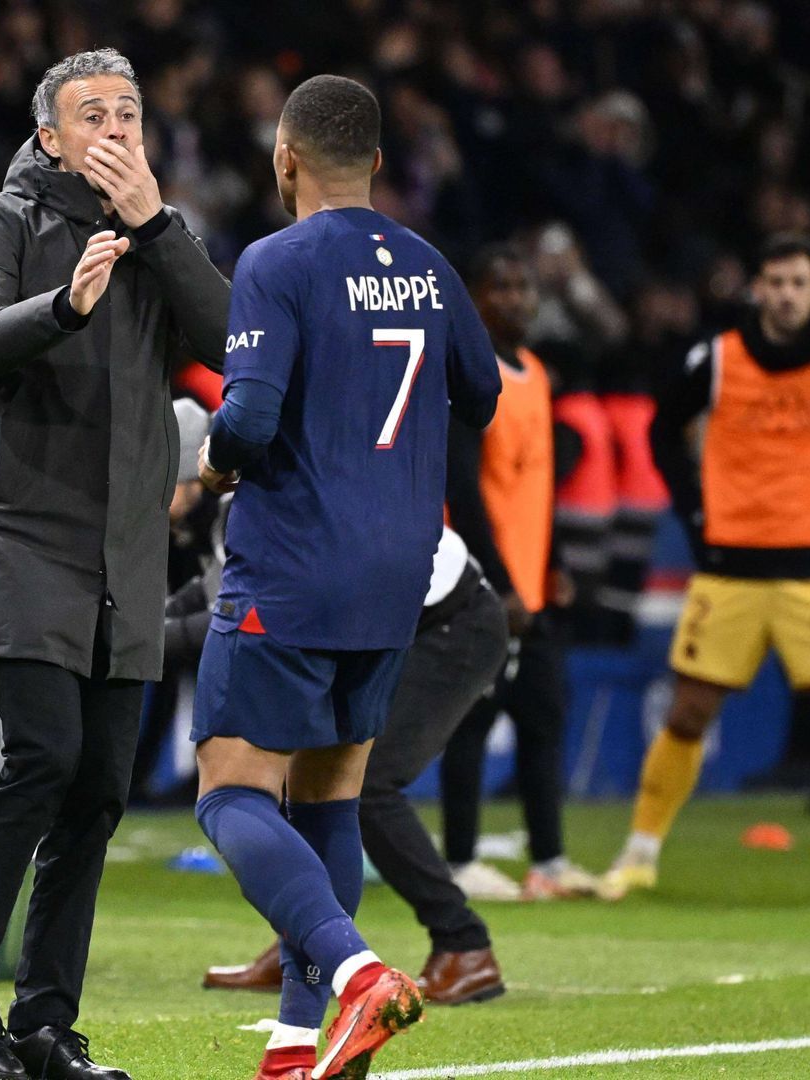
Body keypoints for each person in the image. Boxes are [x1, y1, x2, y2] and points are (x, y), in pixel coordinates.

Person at [0, 47, 228, 1080]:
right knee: (44, 755)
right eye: (93, 114)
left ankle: (46, 1024)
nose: (116, 130)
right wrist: (65, 309)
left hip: (123, 547)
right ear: (50, 136)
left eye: (130, 114)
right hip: (20, 532)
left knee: (98, 788)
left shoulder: (160, 238)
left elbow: (234, 339)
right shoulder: (0, 223)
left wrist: (153, 227)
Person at [191, 75, 501, 1080]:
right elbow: (483, 394)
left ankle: (359, 975)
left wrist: (210, 467)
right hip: (401, 571)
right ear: (374, 161)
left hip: (294, 563)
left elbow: (243, 418)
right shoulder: (429, 266)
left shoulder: (275, 262)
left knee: (230, 794)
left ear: (286, 159)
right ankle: (297, 1045)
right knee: (328, 802)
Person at [600, 236, 810, 903]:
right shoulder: (719, 358)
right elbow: (665, 431)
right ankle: (638, 854)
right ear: (757, 288)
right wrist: (695, 512)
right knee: (689, 709)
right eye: (774, 281)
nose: (785, 294)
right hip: (730, 567)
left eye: (798, 283)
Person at [201, 526, 513, 1020]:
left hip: (450, 625)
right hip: (374, 619)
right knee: (298, 776)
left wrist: (129, 634)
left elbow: (225, 616)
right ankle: (309, 944)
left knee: (363, 786)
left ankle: (463, 943)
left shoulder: (243, 495)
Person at [438, 247, 600, 902]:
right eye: (499, 287)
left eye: (523, 288)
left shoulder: (535, 372)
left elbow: (538, 490)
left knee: (544, 717)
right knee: (472, 720)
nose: (516, 300)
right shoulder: (468, 378)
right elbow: (464, 489)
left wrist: (551, 565)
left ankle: (549, 862)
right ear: (474, 300)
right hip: (483, 583)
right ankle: (461, 859)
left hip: (529, 586)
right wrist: (501, 580)